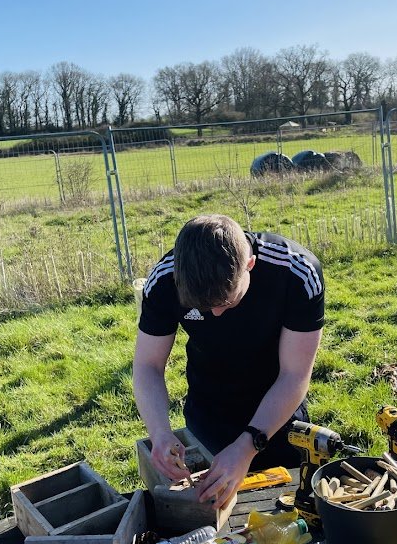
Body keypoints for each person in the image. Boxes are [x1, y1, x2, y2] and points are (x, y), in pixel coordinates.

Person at [133, 214, 324, 509]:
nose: (216, 315)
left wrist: (247, 446)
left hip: (278, 415)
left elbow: (294, 374)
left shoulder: (297, 273)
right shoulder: (164, 280)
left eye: (226, 302)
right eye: (202, 307)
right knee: (215, 516)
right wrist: (159, 432)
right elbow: (148, 365)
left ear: (250, 265)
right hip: (208, 412)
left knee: (285, 510)